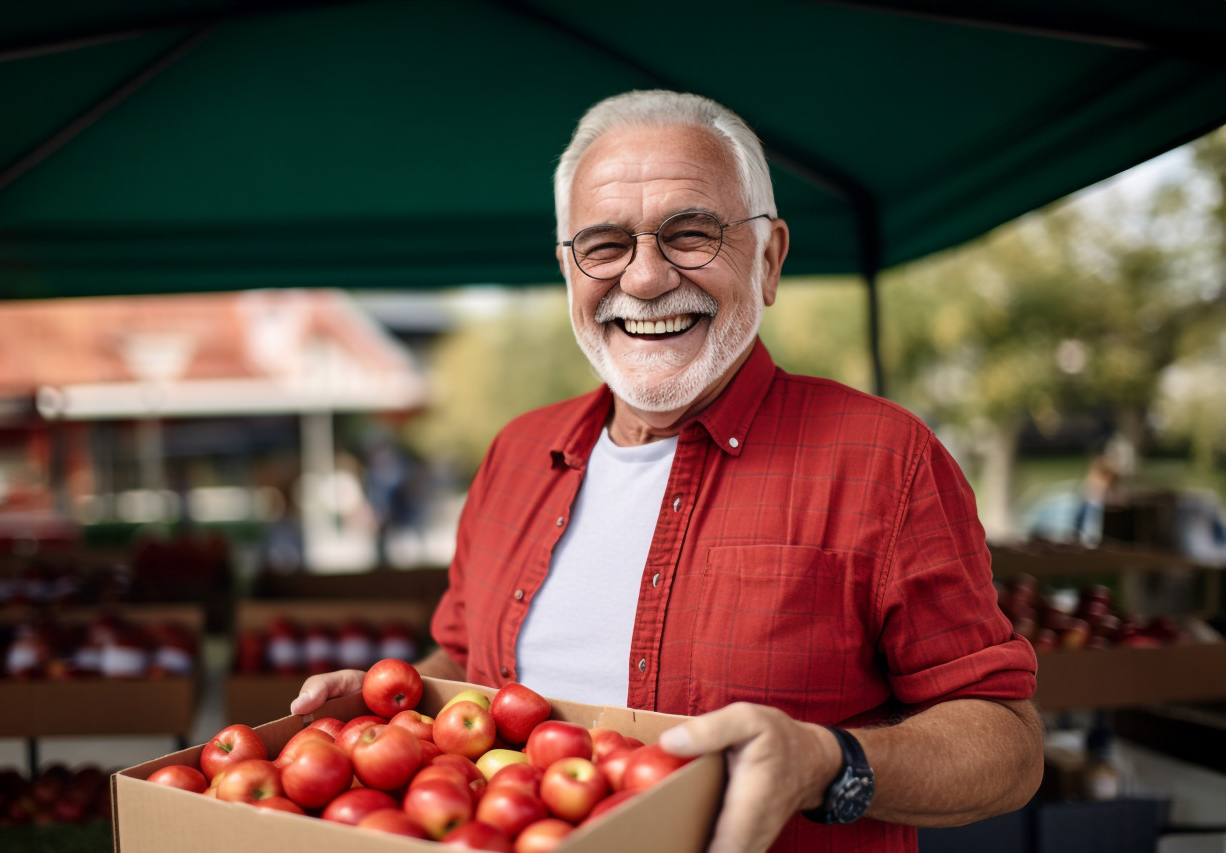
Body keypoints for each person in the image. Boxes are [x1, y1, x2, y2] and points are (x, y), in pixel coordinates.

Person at [291, 90, 1042, 852]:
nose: (645, 279)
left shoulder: (886, 459)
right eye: (605, 245)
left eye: (691, 234)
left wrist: (829, 759)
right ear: (568, 270)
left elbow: (1007, 744)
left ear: (771, 257)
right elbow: (465, 659)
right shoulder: (517, 452)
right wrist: (396, 710)